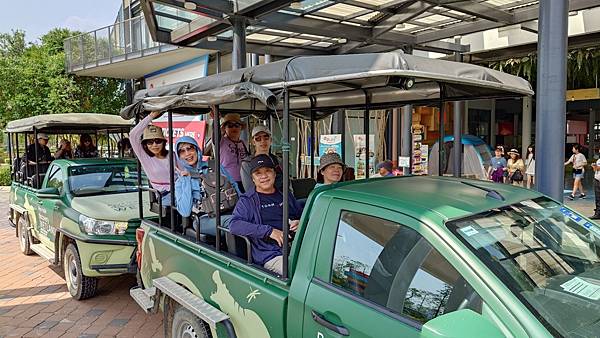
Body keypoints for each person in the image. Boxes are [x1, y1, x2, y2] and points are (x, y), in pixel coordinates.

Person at [230, 154, 303, 275]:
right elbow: (234, 225)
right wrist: (269, 231)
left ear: (274, 174)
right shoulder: (247, 201)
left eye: (268, 171)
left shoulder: (285, 195)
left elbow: (300, 215)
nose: (264, 176)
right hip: (271, 255)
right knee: (298, 274)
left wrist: (299, 222)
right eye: (258, 173)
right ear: (252, 178)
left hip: (295, 248)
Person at [175, 136, 239, 236]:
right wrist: (187, 179)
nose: (187, 153)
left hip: (230, 209)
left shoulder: (214, 165)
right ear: (179, 156)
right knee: (233, 222)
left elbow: (234, 185)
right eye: (182, 151)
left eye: (190, 148)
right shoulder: (180, 182)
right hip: (204, 218)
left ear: (196, 149)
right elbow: (185, 211)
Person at [130, 111, 173, 206]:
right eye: (150, 142)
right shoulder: (145, 157)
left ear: (163, 142)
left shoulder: (172, 155)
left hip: (182, 190)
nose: (154, 145)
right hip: (166, 195)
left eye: (158, 141)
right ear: (145, 145)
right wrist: (151, 116)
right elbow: (133, 136)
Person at [240, 125, 285, 192]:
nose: (263, 141)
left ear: (271, 140)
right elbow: (249, 189)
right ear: (253, 142)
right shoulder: (247, 164)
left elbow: (287, 184)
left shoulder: (278, 161)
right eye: (258, 138)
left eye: (266, 137)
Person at [220, 113, 249, 191]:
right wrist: (216, 119)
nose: (234, 128)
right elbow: (215, 135)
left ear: (240, 128)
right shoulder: (222, 141)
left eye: (237, 125)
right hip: (228, 182)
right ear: (224, 129)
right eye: (230, 125)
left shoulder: (242, 143)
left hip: (244, 180)